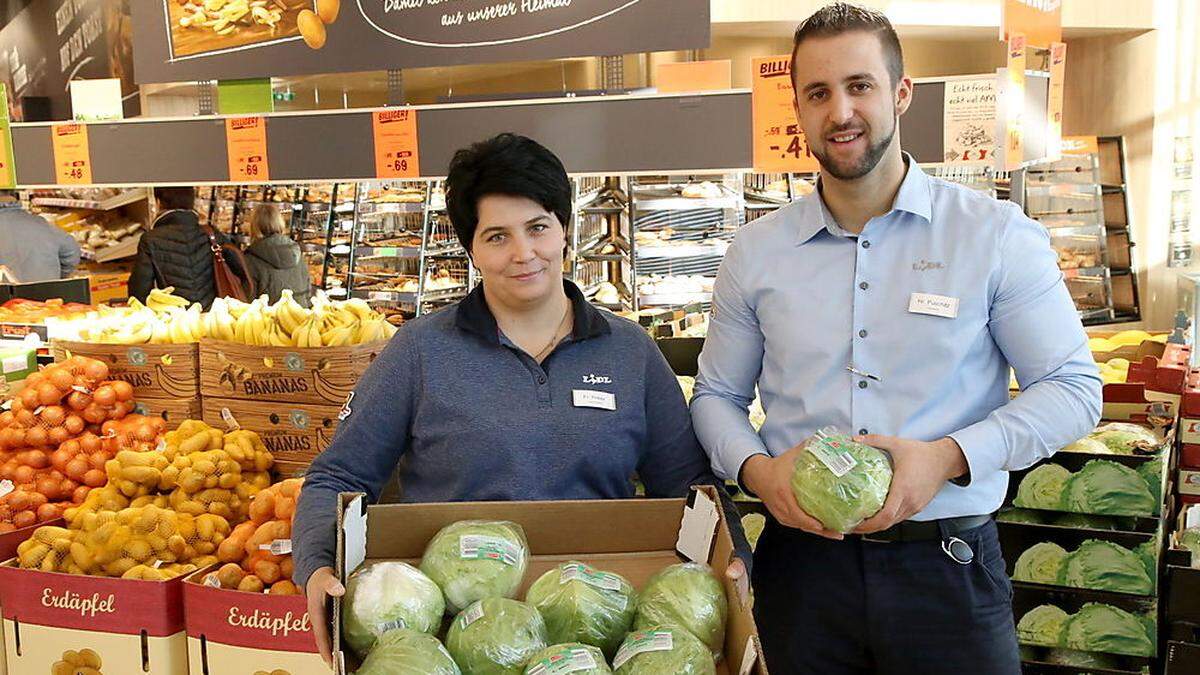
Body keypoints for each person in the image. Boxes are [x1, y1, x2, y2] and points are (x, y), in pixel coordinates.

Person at [691, 4, 1102, 674]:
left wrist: (946, 456)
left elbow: (1074, 389)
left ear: (900, 93)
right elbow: (714, 397)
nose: (840, 112)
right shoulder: (756, 252)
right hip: (802, 570)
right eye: (818, 94)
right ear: (797, 108)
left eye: (860, 86)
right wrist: (761, 473)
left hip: (949, 567)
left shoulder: (993, 235)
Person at [293, 132, 750, 664]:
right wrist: (318, 565)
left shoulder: (630, 352)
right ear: (471, 249)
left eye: (537, 227)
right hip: (455, 641)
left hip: (597, 632)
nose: (522, 253)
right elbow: (337, 477)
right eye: (497, 236)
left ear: (563, 230)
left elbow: (690, 485)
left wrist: (731, 551)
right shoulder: (419, 352)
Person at [127, 187, 246, 309]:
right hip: (213, 318)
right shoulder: (212, 234)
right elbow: (242, 271)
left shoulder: (150, 239)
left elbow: (139, 292)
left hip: (175, 319)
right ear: (192, 203)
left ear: (158, 203)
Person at [0, 190, 80, 282]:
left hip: (6, 294)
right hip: (45, 292)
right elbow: (72, 253)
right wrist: (55, 277)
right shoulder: (41, 223)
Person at [244, 203, 311, 306]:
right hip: (302, 316)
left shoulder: (250, 259)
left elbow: (247, 301)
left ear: (254, 226)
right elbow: (307, 293)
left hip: (269, 319)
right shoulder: (296, 252)